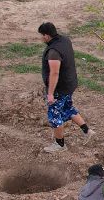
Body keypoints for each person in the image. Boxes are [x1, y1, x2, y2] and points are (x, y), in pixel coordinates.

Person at [38, 22, 90, 153]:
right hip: (70, 84)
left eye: (42, 35)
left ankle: (60, 145)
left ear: (47, 36)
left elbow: (54, 73)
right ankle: (87, 131)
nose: (41, 38)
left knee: (55, 116)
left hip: (59, 89)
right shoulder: (65, 40)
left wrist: (50, 94)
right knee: (68, 108)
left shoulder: (53, 52)